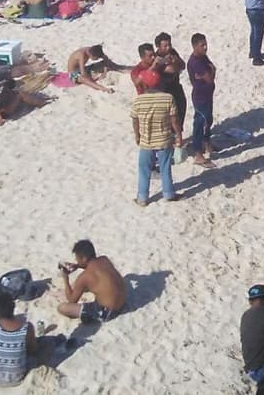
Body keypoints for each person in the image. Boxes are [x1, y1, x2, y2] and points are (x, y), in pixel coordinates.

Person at [129, 44, 182, 205]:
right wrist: (178, 135)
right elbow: (174, 120)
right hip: (164, 138)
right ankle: (168, 194)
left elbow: (135, 120)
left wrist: (137, 135)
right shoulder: (167, 98)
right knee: (165, 168)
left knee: (144, 170)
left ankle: (143, 198)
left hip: (146, 139)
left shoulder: (137, 101)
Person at [57, 239, 127, 322]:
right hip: (123, 302)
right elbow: (93, 266)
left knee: (62, 308)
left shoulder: (84, 277)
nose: (76, 260)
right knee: (87, 284)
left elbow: (72, 300)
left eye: (77, 259)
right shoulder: (104, 259)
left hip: (107, 312)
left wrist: (65, 278)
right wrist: (77, 266)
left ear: (84, 258)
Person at [187, 32, 217, 166]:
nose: (205, 47)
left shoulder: (203, 58)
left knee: (208, 120)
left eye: (205, 44)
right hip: (200, 97)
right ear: (194, 46)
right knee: (200, 124)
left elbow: (212, 69)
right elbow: (209, 78)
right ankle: (198, 154)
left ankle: (207, 144)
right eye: (202, 45)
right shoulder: (196, 62)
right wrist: (210, 72)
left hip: (207, 95)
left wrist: (210, 71)